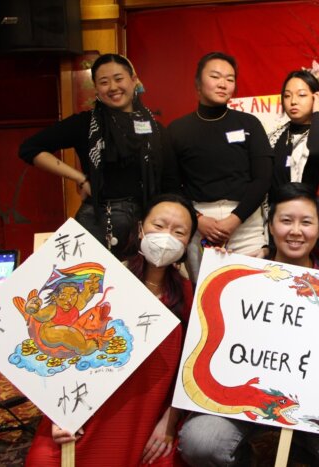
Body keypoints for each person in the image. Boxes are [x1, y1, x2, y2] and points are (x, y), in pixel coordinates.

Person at [178, 182, 319, 467]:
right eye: (286, 221)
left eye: (306, 222)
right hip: (244, 399)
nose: (295, 231)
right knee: (200, 442)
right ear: (270, 226)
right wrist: (221, 274)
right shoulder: (243, 276)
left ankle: (302, 450)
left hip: (315, 408)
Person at [25, 193, 197, 466]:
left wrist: (169, 421)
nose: (167, 237)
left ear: (188, 242)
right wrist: (62, 413)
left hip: (150, 414)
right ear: (141, 227)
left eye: (179, 232)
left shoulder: (189, 294)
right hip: (92, 409)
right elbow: (62, 354)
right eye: (159, 225)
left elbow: (192, 368)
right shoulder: (107, 282)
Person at [19, 54, 180, 259]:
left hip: (146, 223)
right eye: (104, 82)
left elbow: (171, 183)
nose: (113, 87)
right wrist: (80, 178)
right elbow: (30, 148)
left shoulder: (156, 129)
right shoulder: (85, 124)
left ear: (133, 80)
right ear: (96, 89)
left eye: (119, 78)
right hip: (98, 223)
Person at [169, 52, 273, 282]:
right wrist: (197, 220)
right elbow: (171, 185)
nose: (223, 83)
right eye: (215, 76)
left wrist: (235, 219)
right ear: (198, 83)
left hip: (245, 222)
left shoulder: (249, 124)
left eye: (230, 78)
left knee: (252, 291)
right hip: (200, 225)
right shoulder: (178, 130)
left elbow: (263, 179)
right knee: (206, 294)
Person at [268, 70, 319, 196]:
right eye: (287, 96)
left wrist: (318, 113)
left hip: (314, 213)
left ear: (316, 98)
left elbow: (317, 150)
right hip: (277, 213)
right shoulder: (272, 138)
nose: (293, 101)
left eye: (301, 95)